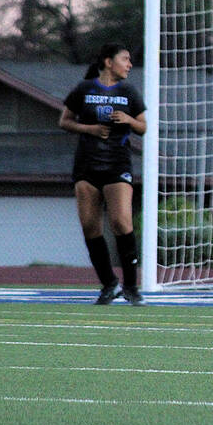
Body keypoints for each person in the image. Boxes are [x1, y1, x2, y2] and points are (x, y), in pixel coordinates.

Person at [58, 43, 148, 306]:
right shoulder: (85, 89)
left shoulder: (129, 91)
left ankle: (132, 286)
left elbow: (143, 126)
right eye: (125, 59)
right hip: (86, 165)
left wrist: (129, 121)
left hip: (117, 164)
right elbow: (64, 121)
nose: (129, 65)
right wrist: (91, 129)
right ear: (108, 62)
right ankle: (109, 284)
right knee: (90, 226)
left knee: (121, 222)